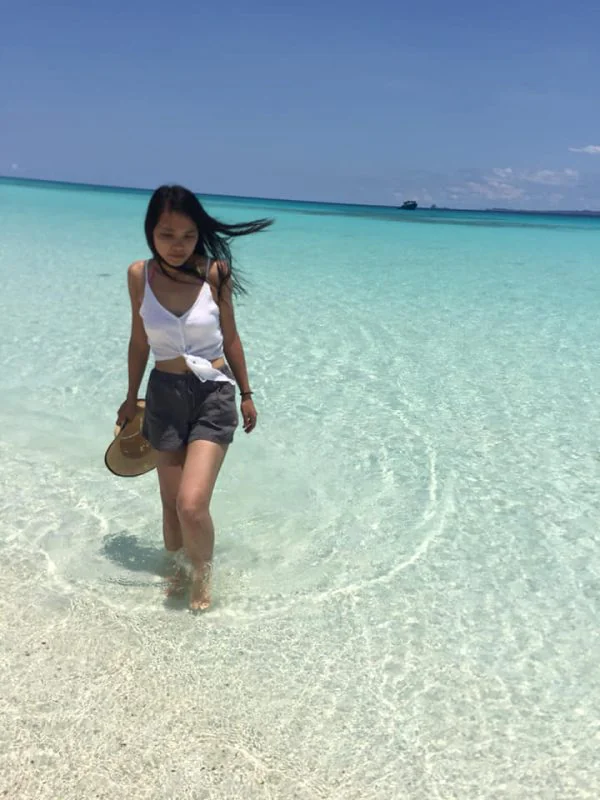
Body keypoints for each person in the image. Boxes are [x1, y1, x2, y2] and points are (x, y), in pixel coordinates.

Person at [117, 185, 272, 610]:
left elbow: (232, 338)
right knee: (169, 505)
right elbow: (138, 342)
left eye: (187, 235)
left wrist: (246, 393)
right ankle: (176, 570)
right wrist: (131, 397)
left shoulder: (214, 273)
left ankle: (202, 575)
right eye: (166, 234)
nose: (177, 245)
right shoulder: (138, 276)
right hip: (163, 395)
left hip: (213, 394)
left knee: (191, 503)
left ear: (198, 234)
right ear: (151, 232)